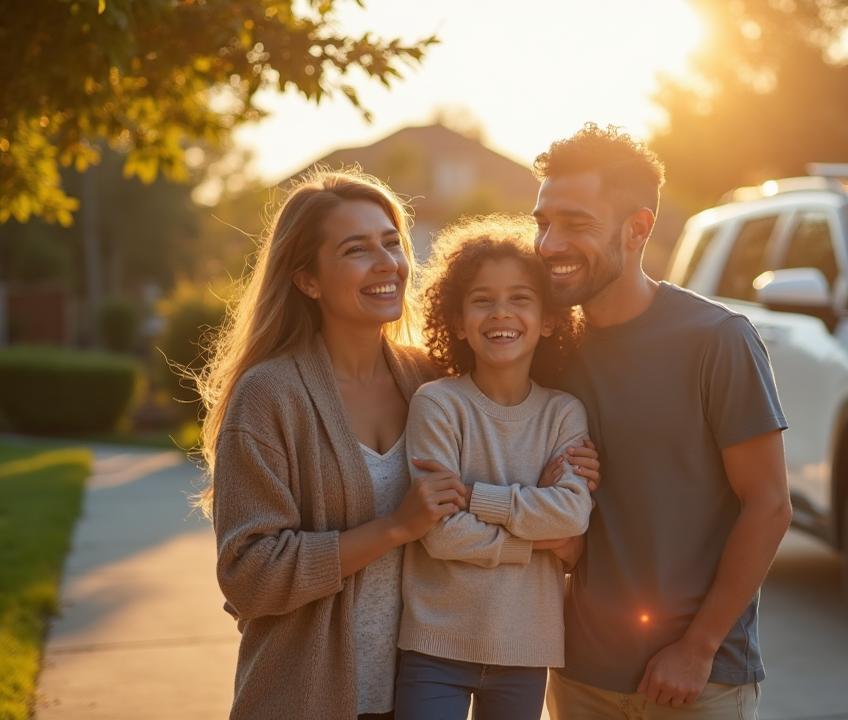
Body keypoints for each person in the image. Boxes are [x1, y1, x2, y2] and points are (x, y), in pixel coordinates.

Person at [197, 170, 599, 719]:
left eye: (392, 243)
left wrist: (568, 482)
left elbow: (509, 458)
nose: (387, 264)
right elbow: (248, 576)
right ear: (308, 279)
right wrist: (393, 528)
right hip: (309, 695)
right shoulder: (270, 395)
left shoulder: (427, 382)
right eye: (356, 250)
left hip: (419, 682)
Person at [532, 124, 793, 719]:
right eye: (543, 222)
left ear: (638, 228)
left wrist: (697, 648)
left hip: (697, 681)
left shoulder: (718, 340)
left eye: (576, 223)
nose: (549, 243)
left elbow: (769, 504)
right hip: (576, 676)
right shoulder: (547, 347)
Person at [395, 215, 593, 720]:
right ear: (458, 320)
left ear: (548, 318)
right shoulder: (437, 404)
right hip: (434, 644)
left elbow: (571, 516)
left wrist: (476, 496)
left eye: (520, 298)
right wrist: (535, 535)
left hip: (527, 647)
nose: (500, 312)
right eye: (482, 299)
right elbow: (440, 534)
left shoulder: (563, 413)